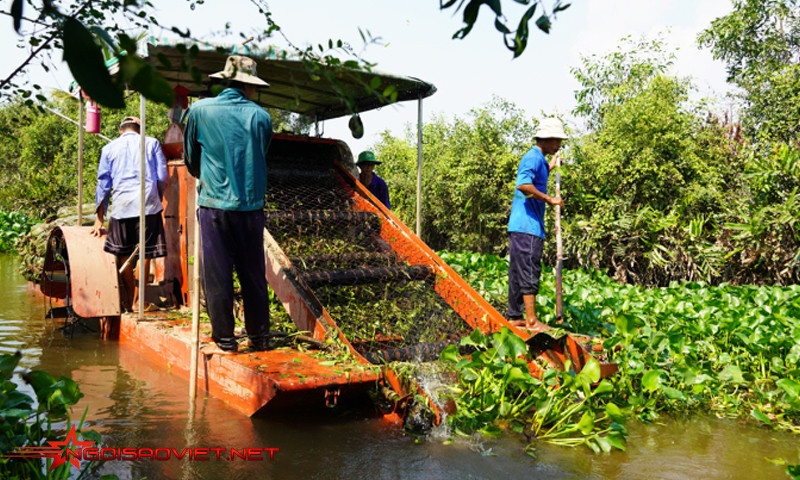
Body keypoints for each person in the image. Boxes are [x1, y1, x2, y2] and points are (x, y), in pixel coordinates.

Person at [183, 55, 272, 354]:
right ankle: (260, 337)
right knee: (253, 274)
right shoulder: (261, 117)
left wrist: (207, 175)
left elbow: (191, 159)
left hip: (215, 207)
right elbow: (262, 154)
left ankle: (225, 339)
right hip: (250, 208)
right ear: (250, 86)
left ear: (225, 80)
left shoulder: (198, 111)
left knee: (218, 275)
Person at [91, 116, 168, 313]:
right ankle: (137, 302)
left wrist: (99, 220)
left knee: (123, 254)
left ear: (120, 130)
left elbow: (104, 184)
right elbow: (162, 176)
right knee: (145, 254)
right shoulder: (151, 143)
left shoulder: (109, 148)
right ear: (139, 129)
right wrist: (156, 197)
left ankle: (127, 300)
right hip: (148, 206)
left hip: (121, 207)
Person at [506, 117, 566, 332]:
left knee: (518, 270)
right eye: (556, 141)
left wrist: (550, 166)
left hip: (522, 226)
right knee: (529, 269)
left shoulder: (539, 159)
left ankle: (514, 316)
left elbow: (538, 176)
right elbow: (523, 184)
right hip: (527, 227)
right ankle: (531, 320)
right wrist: (550, 199)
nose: (559, 145)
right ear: (546, 139)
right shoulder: (532, 158)